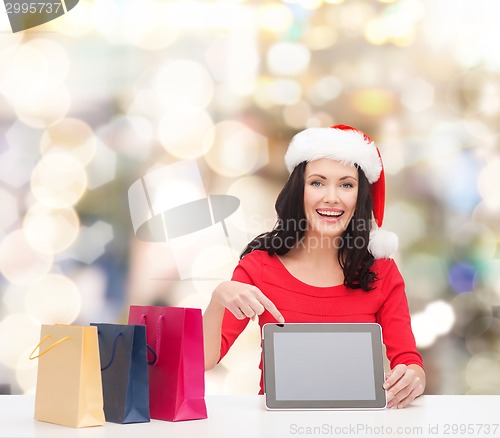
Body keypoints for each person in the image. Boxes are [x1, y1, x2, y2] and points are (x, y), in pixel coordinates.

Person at [203, 124, 426, 409]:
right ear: (299, 190)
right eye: (317, 182)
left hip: (357, 427)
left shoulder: (382, 272)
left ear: (360, 197)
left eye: (346, 184)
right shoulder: (258, 267)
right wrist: (218, 297)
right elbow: (204, 361)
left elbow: (409, 361)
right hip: (277, 428)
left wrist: (412, 379)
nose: (331, 197)